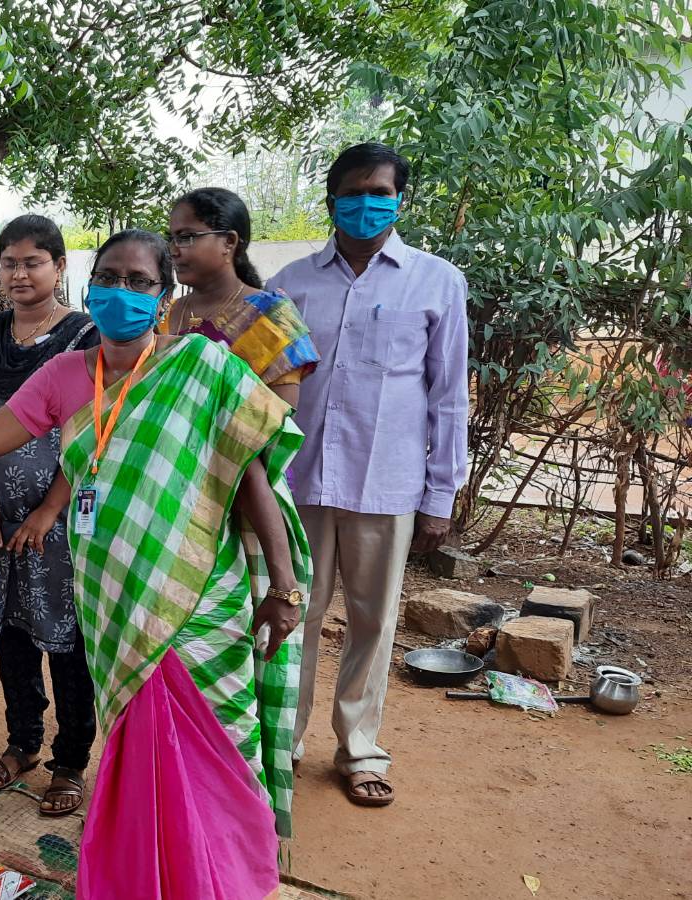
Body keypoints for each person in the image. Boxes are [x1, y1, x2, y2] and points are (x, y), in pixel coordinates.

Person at [0, 229, 310, 898]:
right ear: (90, 287)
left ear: (163, 296)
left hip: (200, 598)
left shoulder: (200, 368)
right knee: (145, 746)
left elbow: (252, 473)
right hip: (115, 599)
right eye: (109, 277)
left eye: (139, 282)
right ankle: (150, 878)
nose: (122, 292)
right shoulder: (66, 376)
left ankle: (225, 878)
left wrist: (283, 583)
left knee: (218, 744)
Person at [268, 142, 469, 808]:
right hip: (298, 484)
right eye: (351, 192)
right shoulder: (291, 283)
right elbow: (266, 388)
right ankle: (281, 742)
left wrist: (441, 494)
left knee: (372, 621)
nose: (365, 203)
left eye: (378, 191)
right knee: (291, 612)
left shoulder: (436, 281)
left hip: (387, 482)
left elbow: (447, 396)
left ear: (399, 198)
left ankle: (359, 748)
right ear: (331, 201)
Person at [0, 215, 99, 817]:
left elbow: (91, 435)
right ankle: (22, 744)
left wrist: (46, 510)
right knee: (11, 635)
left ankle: (70, 762)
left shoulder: (86, 338)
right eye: (8, 262)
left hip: (59, 523)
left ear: (59, 267)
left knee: (67, 642)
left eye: (32, 261)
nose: (18, 273)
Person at [163, 187, 319, 408]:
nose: (173, 250)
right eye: (172, 238)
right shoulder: (164, 314)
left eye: (186, 237)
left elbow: (278, 425)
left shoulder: (272, 319)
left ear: (229, 241)